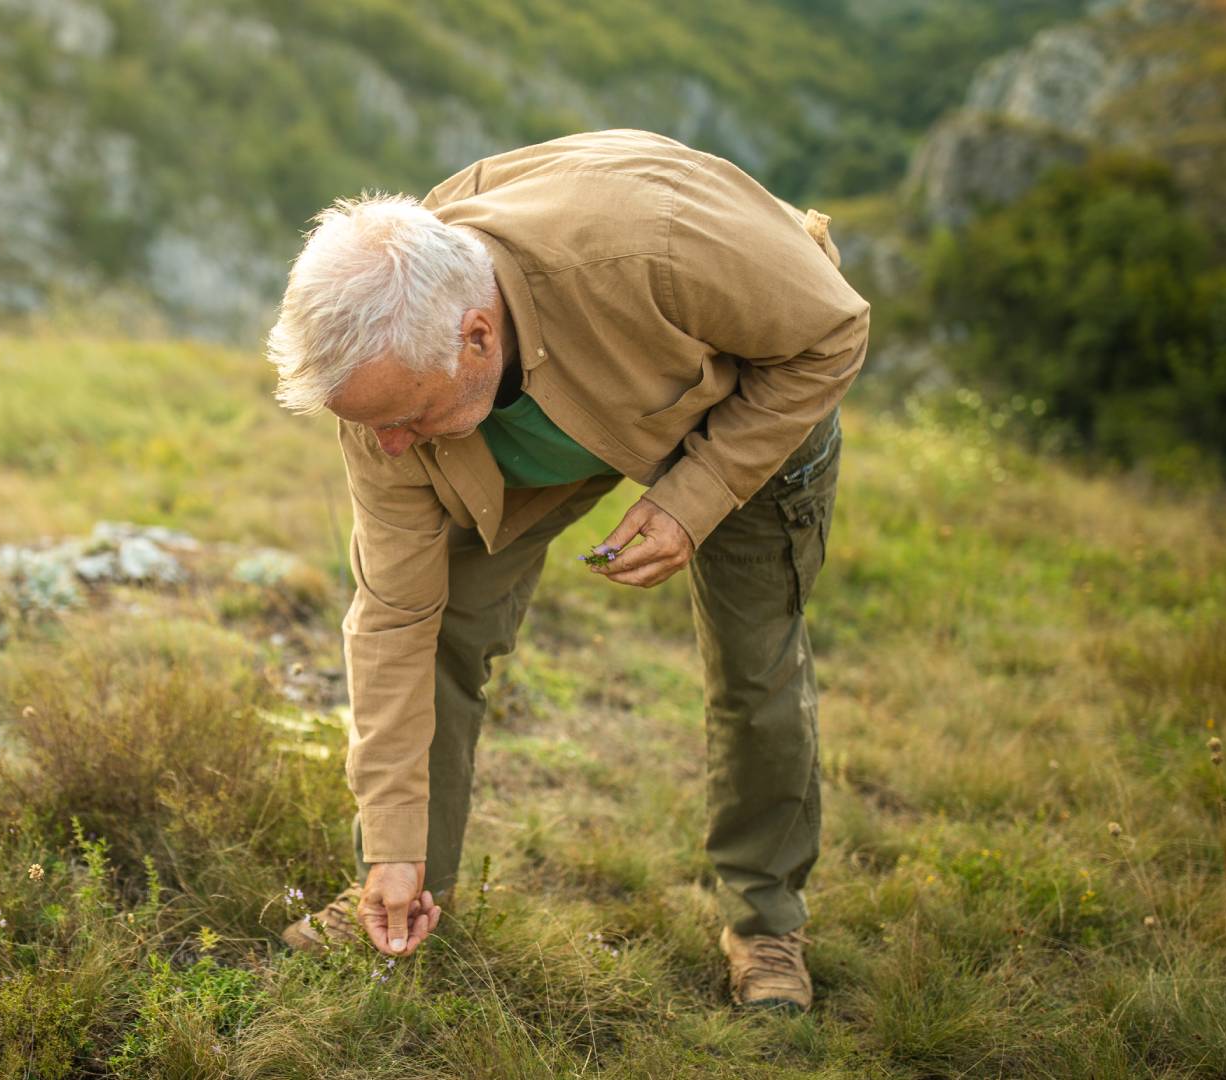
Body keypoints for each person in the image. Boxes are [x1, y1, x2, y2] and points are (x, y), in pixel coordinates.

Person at [262, 128, 868, 1013]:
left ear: (476, 336)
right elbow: (393, 617)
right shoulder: (392, 382)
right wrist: (391, 844)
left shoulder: (655, 245)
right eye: (368, 424)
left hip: (744, 403)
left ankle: (766, 920)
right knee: (439, 637)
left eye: (402, 417)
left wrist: (694, 496)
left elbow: (830, 333)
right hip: (527, 432)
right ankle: (400, 893)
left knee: (753, 663)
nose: (385, 447)